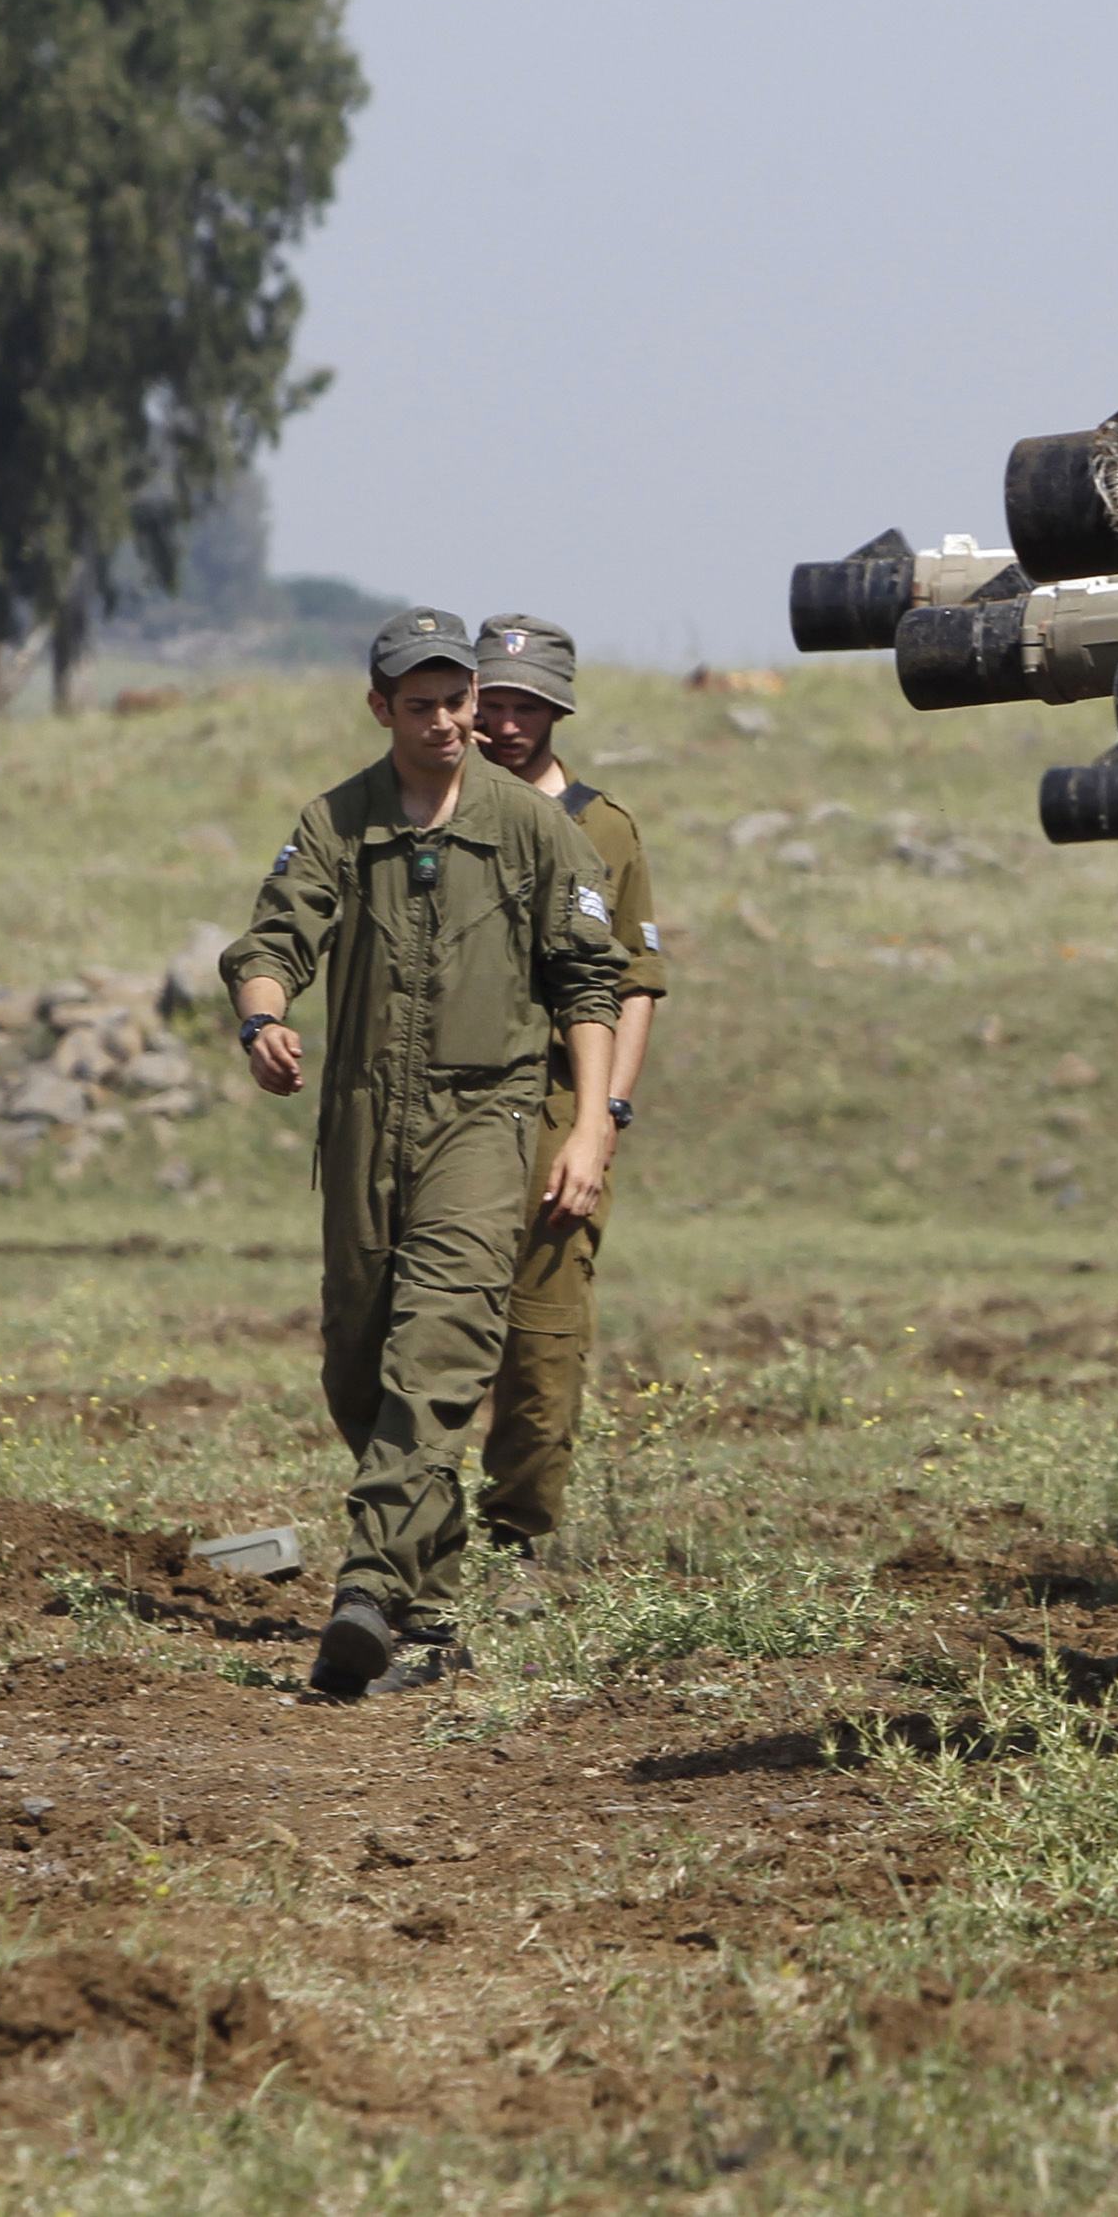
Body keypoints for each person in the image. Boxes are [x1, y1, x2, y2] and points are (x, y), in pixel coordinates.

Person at [221, 609, 626, 1699]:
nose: (450, 722)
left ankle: (364, 1590)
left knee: (437, 1353)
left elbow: (593, 982)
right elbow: (270, 943)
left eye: (459, 700)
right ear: (382, 709)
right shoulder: (336, 820)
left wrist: (589, 1125)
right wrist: (264, 1021)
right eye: (424, 705)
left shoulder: (537, 831)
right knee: (360, 1369)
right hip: (360, 1121)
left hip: (482, 1120)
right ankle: (433, 1613)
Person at [444, 613, 663, 1605]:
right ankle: (412, 1534)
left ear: (557, 710)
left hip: (554, 1107)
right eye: (491, 702)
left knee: (542, 1338)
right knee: (423, 1330)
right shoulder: (432, 809)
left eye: (526, 705)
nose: (506, 723)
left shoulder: (602, 827)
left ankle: (515, 1541)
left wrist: (602, 1117)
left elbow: (636, 983)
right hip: (449, 1102)